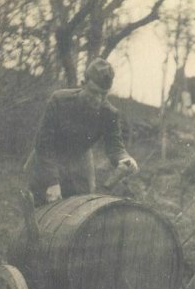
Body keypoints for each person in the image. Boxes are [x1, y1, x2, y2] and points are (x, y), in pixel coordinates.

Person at [25, 58, 138, 205]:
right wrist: (52, 182)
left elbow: (114, 146)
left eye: (103, 95)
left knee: (81, 209)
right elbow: (43, 144)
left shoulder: (109, 113)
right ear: (83, 84)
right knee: (40, 209)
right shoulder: (59, 100)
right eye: (94, 92)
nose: (98, 99)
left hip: (79, 163)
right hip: (47, 159)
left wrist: (124, 158)